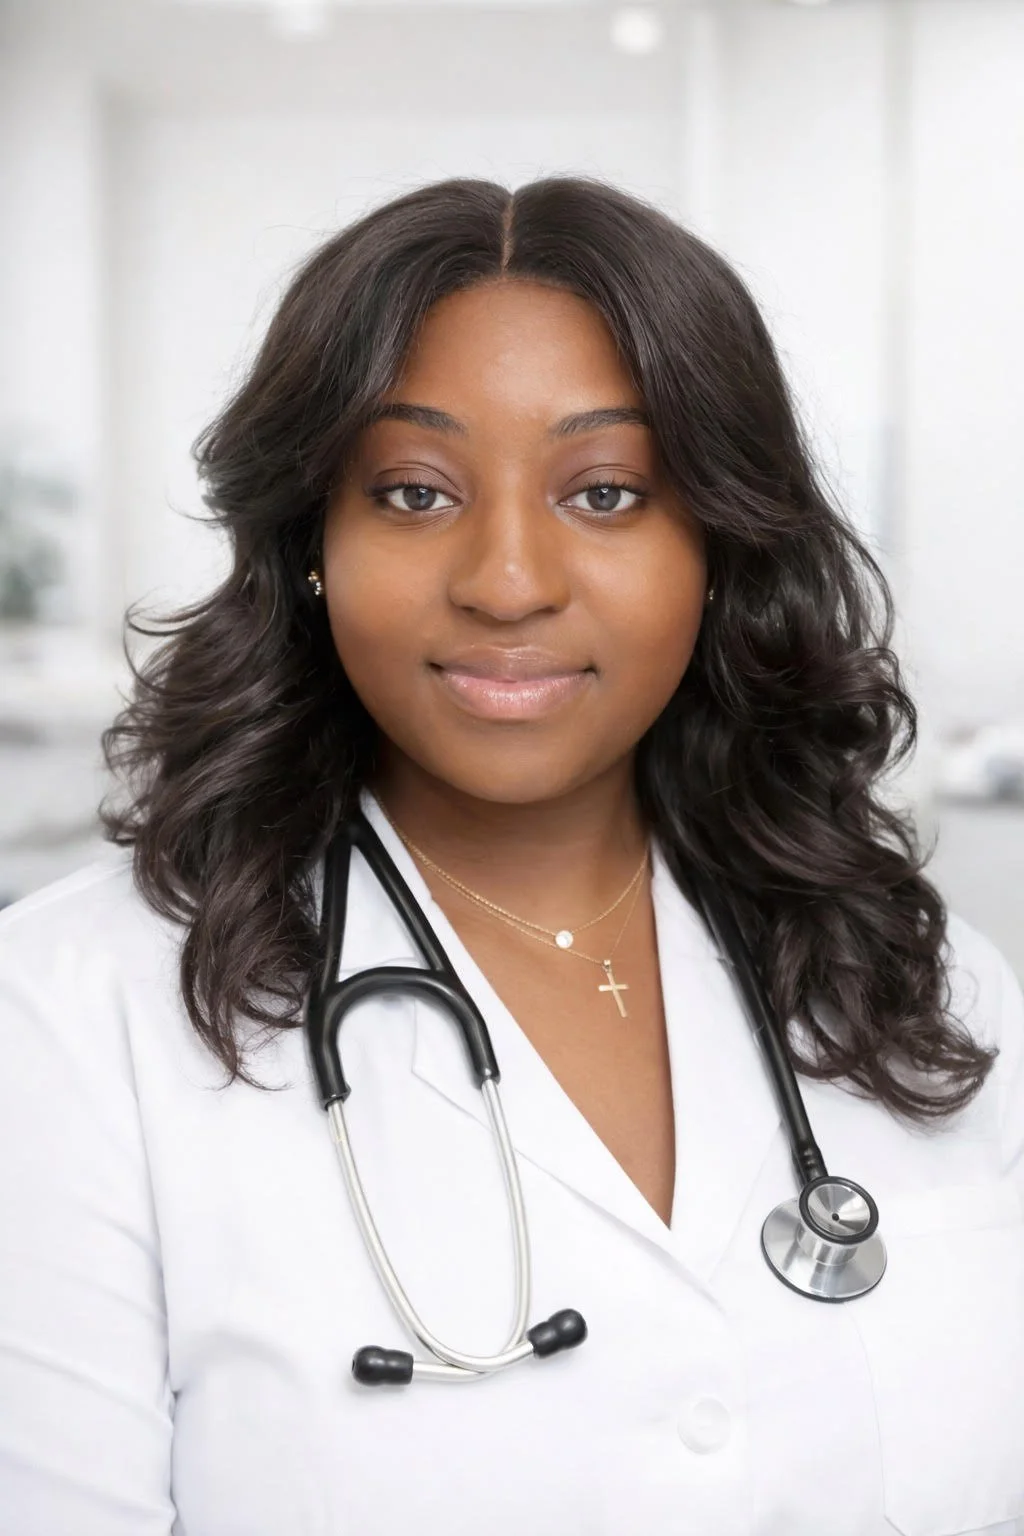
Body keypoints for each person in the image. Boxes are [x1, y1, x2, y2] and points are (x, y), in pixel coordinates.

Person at [0, 175, 1021, 1536]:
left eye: (606, 493)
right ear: (311, 544)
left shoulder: (925, 988)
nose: (507, 580)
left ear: (719, 541)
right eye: (414, 494)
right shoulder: (70, 1018)